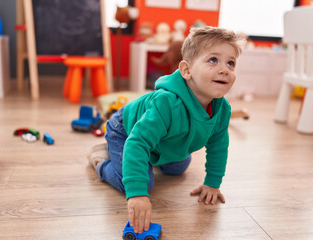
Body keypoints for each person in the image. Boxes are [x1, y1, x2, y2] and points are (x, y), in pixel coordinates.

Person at [88, 26, 246, 234]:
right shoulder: (167, 103)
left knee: (178, 167)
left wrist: (212, 183)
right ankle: (101, 161)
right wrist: (137, 194)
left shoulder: (222, 108)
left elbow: (219, 146)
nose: (225, 69)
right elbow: (137, 142)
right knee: (141, 183)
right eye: (213, 60)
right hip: (126, 131)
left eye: (231, 63)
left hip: (165, 141)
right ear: (186, 70)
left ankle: (147, 159)